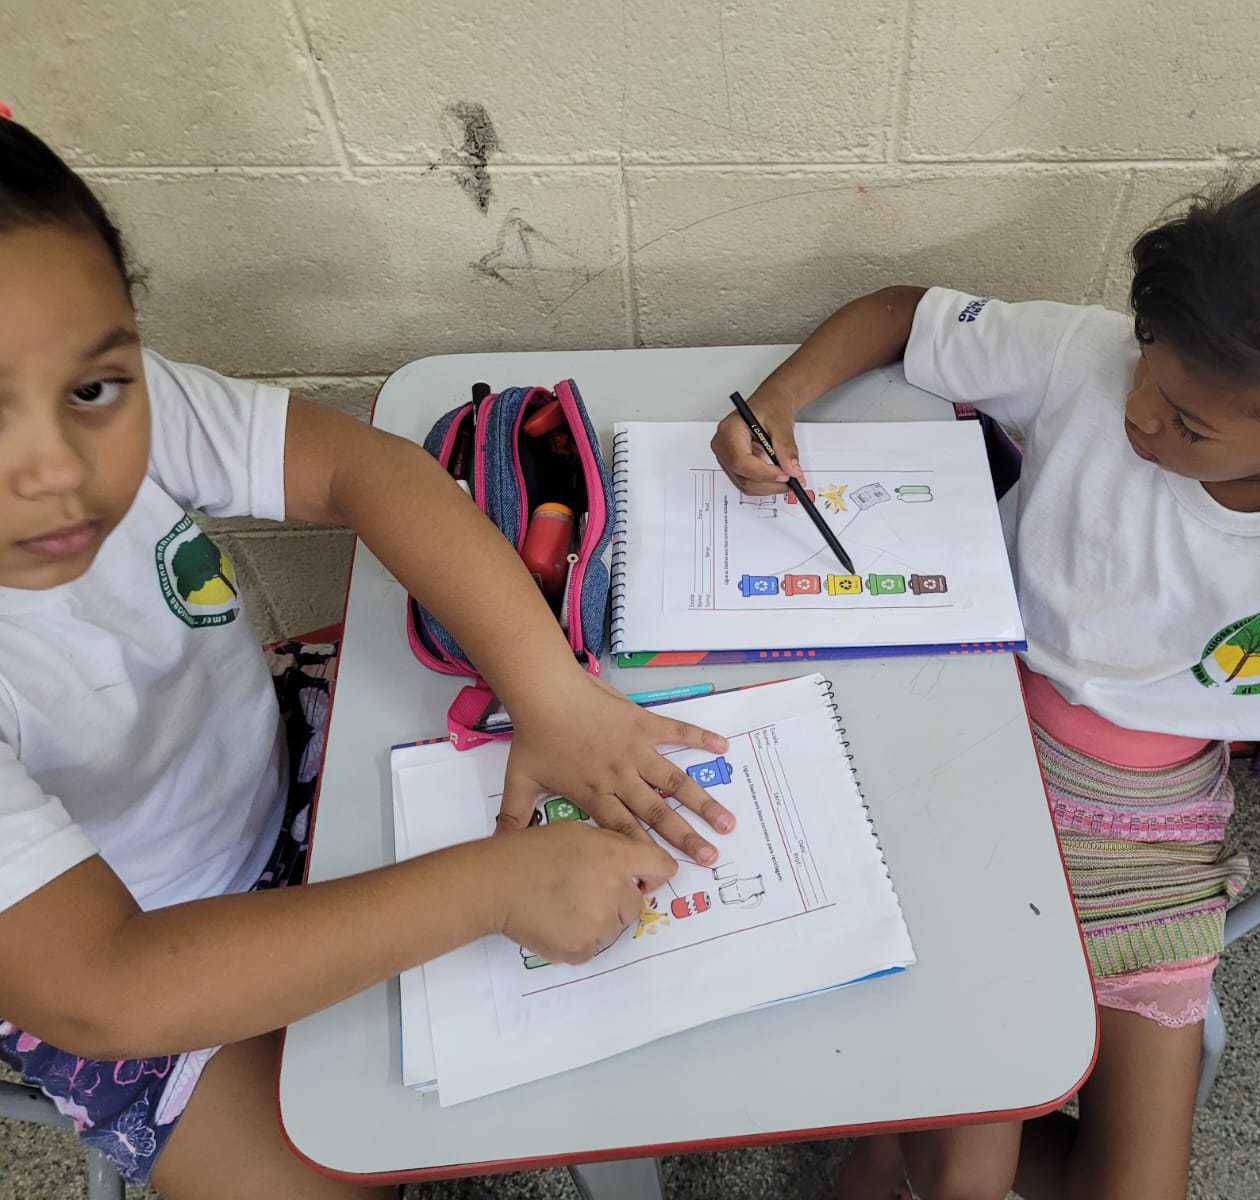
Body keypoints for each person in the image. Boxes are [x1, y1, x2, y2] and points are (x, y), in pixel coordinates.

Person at [711, 150, 1260, 1200]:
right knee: (963, 1172)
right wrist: (777, 401)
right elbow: (904, 314)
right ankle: (898, 1133)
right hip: (970, 735)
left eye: (1189, 425)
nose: (1139, 413)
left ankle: (898, 1120)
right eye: (1149, 365)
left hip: (1153, 825)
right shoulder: (1090, 360)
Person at [0, 114, 735, 1198]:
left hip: (279, 760)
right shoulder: (60, 430)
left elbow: (367, 468)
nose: (56, 468)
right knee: (336, 1165)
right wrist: (490, 888)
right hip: (130, 955)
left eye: (93, 389)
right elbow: (105, 987)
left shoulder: (114, 393)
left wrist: (552, 696)